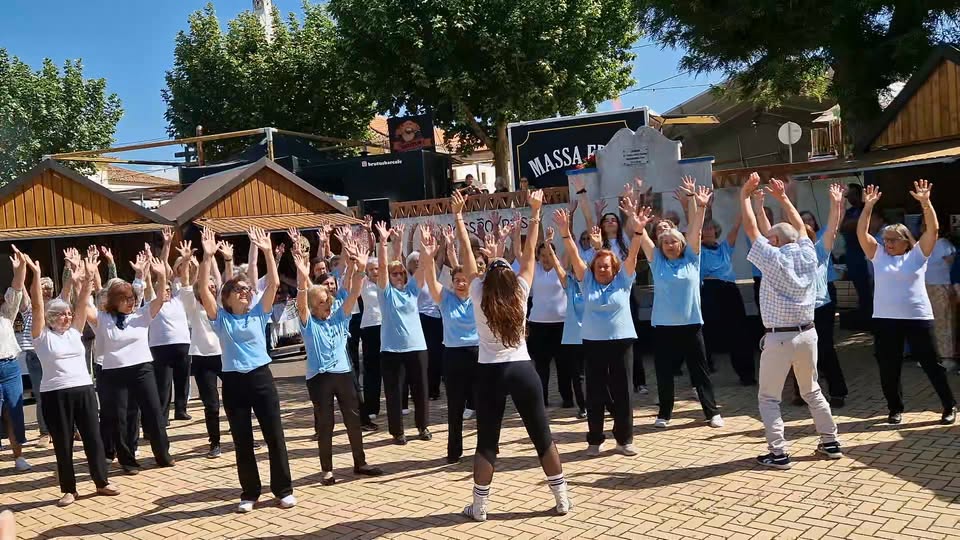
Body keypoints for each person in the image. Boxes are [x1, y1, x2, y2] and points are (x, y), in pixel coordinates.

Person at [456, 189, 571, 521]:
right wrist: (535, 212)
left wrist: (461, 217)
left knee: (487, 443)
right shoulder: (520, 290)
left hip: (490, 371)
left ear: (487, 278)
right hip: (522, 368)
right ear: (510, 276)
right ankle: (561, 499)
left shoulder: (478, 292)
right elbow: (529, 257)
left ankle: (479, 508)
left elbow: (466, 254)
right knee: (542, 436)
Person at [740, 173, 841, 469]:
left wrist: (745, 196)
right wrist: (783, 198)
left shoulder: (772, 257)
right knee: (812, 390)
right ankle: (830, 441)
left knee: (769, 398)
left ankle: (779, 452)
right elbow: (798, 227)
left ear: (774, 240)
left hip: (779, 336)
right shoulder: (807, 252)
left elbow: (750, 228)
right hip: (808, 334)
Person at [197, 227, 295, 513]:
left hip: (261, 377)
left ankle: (283, 490)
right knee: (242, 440)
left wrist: (266, 251)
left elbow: (274, 284)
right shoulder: (221, 318)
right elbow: (204, 289)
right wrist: (206, 256)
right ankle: (250, 492)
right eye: (239, 289)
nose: (245, 292)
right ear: (227, 296)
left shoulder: (258, 313)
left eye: (247, 289)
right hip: (233, 382)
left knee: (274, 435)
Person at [554, 184, 644, 457]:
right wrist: (565, 232)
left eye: (607, 265)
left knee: (623, 392)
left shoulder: (624, 280)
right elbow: (572, 253)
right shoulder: (586, 280)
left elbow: (633, 254)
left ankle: (624, 439)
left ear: (614, 267)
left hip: (622, 342)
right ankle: (595, 438)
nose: (603, 268)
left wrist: (638, 230)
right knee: (594, 392)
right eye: (599, 265)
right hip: (593, 342)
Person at [856, 181, 957, 425]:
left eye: (893, 239)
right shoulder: (878, 255)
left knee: (931, 364)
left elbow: (932, 230)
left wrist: (925, 202)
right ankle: (894, 409)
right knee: (889, 368)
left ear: (905, 241)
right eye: (885, 238)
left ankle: (949, 405)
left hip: (917, 318)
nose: (887, 243)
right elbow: (862, 233)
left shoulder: (917, 255)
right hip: (885, 319)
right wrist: (868, 207)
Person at [26, 250, 119, 506]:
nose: (67, 317)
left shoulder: (75, 332)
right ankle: (69, 489)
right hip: (55, 393)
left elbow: (82, 303)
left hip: (84, 390)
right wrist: (34, 275)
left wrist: (88, 277)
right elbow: (36, 305)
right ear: (51, 318)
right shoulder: (41, 337)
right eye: (61, 314)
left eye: (68, 314)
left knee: (92, 437)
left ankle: (101, 481)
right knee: (64, 443)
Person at [292, 238, 383, 485]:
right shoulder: (308, 323)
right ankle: (327, 470)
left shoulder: (339, 317)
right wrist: (302, 275)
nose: (328, 305)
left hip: (343, 373)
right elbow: (301, 302)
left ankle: (360, 463)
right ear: (313, 306)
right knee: (326, 424)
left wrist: (361, 268)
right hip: (319, 378)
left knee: (353, 419)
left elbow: (354, 291)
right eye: (323, 303)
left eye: (328, 301)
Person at [639, 178, 723, 429]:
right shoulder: (658, 262)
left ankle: (711, 412)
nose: (669, 245)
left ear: (682, 244)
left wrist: (700, 205)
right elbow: (642, 237)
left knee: (700, 372)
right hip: (664, 326)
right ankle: (664, 413)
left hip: (691, 324)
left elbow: (695, 230)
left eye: (674, 241)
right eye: (665, 242)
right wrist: (638, 220)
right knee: (664, 373)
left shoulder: (692, 259)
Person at [83, 251, 175, 475]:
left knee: (153, 412)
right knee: (120, 418)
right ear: (115, 301)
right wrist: (85, 279)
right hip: (114, 372)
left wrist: (161, 276)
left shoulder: (141, 315)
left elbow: (161, 298)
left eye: (132, 299)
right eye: (125, 300)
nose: (131, 303)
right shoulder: (103, 319)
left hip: (142, 369)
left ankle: (163, 454)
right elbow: (84, 305)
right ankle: (128, 460)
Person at [419, 219, 480, 464]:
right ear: (452, 282)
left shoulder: (478, 296)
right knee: (455, 406)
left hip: (478, 353)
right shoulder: (445, 298)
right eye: (456, 280)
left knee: (483, 404)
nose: (461, 282)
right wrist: (428, 255)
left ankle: (486, 449)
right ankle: (454, 451)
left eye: (464, 279)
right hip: (453, 356)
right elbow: (431, 281)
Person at [373, 221, 431, 445]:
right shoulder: (385, 292)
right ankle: (397, 431)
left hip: (417, 347)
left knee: (421, 389)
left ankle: (423, 426)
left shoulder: (412, 290)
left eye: (400, 273)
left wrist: (425, 244)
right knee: (395, 393)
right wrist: (384, 242)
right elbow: (383, 265)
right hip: (391, 350)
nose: (398, 276)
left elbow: (423, 267)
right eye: (394, 274)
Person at [179, 240, 230, 458]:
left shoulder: (221, 303)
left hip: (225, 356)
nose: (211, 287)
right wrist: (192, 261)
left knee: (236, 400)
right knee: (211, 405)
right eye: (206, 285)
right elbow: (187, 284)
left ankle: (244, 437)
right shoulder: (191, 304)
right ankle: (215, 443)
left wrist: (226, 260)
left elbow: (228, 282)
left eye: (213, 285)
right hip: (202, 358)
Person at [148, 227, 193, 425]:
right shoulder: (152, 302)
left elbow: (181, 278)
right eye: (163, 288)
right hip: (160, 346)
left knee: (182, 379)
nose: (166, 290)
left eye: (168, 289)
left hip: (182, 343)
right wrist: (166, 245)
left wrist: (184, 260)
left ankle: (181, 409)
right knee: (163, 384)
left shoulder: (178, 299)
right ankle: (163, 416)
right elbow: (162, 272)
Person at [542, 228, 587, 419]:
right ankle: (583, 406)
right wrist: (549, 243)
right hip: (572, 336)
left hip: (593, 335)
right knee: (575, 374)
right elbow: (556, 263)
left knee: (596, 373)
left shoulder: (593, 283)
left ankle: (604, 403)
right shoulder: (568, 283)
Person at [526, 232, 568, 409]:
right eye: (542, 255)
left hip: (561, 324)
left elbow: (568, 245)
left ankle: (568, 398)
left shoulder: (562, 267)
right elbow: (527, 251)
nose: (545, 258)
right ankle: (542, 400)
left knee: (564, 365)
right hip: (538, 325)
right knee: (541, 366)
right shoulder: (534, 269)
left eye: (549, 254)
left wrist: (567, 225)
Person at [1, 246, 30, 472]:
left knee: (15, 410)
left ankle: (18, 456)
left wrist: (20, 269)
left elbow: (17, 289)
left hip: (10, 367)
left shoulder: (6, 312)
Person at [16, 276, 53, 449]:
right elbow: (23, 293)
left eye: (49, 287)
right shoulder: (29, 307)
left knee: (61, 392)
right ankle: (45, 432)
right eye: (43, 286)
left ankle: (72, 428)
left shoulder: (57, 306)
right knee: (41, 394)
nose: (46, 290)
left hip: (53, 353)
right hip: (34, 355)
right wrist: (23, 275)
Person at [924, 227, 956, 364]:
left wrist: (954, 285)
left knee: (943, 323)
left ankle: (947, 357)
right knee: (930, 323)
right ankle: (934, 355)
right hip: (926, 287)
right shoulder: (923, 243)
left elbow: (953, 265)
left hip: (941, 286)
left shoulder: (942, 244)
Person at [840, 183, 872, 322]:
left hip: (864, 253)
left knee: (868, 286)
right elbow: (842, 226)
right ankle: (864, 313)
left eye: (853, 194)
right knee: (859, 286)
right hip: (852, 253)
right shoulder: (849, 212)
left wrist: (854, 224)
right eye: (848, 196)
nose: (850, 198)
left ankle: (870, 315)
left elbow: (862, 225)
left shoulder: (866, 209)